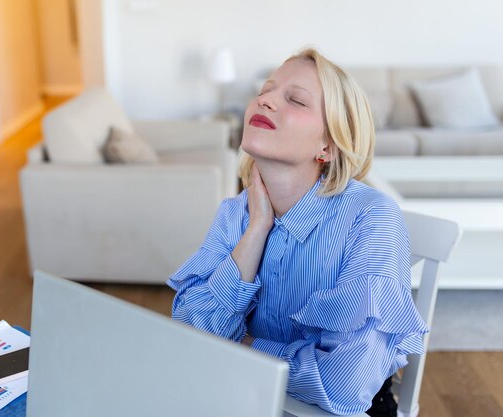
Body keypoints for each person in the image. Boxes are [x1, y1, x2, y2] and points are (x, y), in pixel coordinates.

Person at [166, 47, 428, 417]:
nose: (265, 100)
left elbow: (345, 384)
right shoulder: (235, 213)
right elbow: (191, 336)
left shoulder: (371, 217)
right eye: (266, 90)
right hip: (243, 398)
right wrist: (257, 228)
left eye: (295, 100)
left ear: (329, 145)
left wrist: (242, 345)